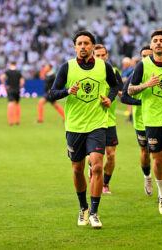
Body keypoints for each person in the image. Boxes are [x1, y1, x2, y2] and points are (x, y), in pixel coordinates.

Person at [50, 31, 118, 228]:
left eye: (86, 43)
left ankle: (95, 213)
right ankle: (83, 207)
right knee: (78, 168)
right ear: (74, 47)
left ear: (92, 46)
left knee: (97, 165)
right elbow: (53, 93)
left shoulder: (104, 67)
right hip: (74, 126)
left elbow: (114, 87)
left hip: (97, 124)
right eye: (79, 43)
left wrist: (109, 98)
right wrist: (67, 91)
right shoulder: (67, 67)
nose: (83, 46)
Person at [128, 29, 162, 219]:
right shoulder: (143, 66)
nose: (158, 43)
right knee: (158, 161)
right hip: (151, 120)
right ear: (151, 46)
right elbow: (130, 90)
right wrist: (146, 85)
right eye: (155, 41)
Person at [86, 44, 123, 194]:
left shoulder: (114, 72)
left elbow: (121, 92)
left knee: (111, 155)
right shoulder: (88, 72)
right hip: (93, 120)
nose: (101, 58)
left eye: (103, 55)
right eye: (98, 55)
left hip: (110, 120)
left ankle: (105, 184)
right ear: (93, 56)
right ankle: (91, 168)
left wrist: (125, 95)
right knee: (93, 158)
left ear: (107, 56)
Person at [121, 45, 154, 196]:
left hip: (159, 118)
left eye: (149, 55)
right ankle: (147, 177)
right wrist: (141, 103)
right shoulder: (135, 74)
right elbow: (124, 97)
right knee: (145, 151)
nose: (147, 58)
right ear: (140, 59)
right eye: (144, 56)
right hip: (141, 120)